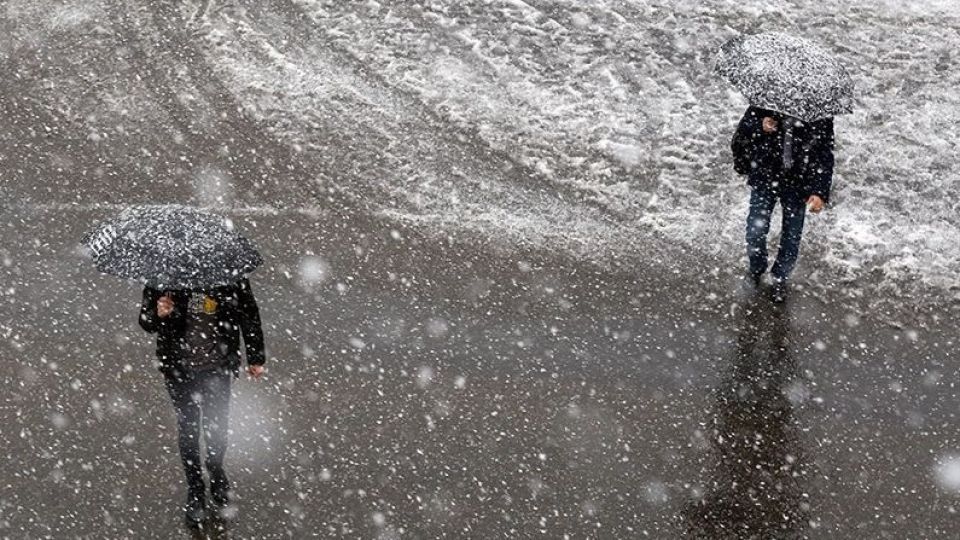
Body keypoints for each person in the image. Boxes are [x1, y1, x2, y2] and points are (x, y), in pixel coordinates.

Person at [138, 278, 266, 527]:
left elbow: (248, 312)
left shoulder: (228, 273)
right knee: (188, 428)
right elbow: (146, 321)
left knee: (217, 428)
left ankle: (216, 470)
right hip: (178, 369)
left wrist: (256, 356)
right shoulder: (164, 277)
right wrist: (158, 314)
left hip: (218, 368)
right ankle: (195, 488)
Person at [731, 106, 835, 302]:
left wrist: (819, 192)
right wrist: (760, 126)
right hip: (765, 175)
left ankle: (780, 278)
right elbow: (743, 131)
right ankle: (756, 269)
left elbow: (824, 153)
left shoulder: (819, 112)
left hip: (798, 181)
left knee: (792, 236)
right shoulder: (767, 101)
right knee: (755, 230)